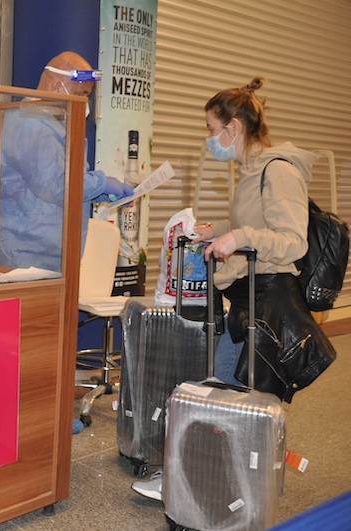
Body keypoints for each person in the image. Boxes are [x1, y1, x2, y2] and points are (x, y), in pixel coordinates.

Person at [132, 77, 336, 501]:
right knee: (228, 394)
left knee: (220, 393)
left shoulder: (277, 172)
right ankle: (218, 483)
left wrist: (238, 236)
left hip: (268, 298)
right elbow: (257, 225)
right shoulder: (251, 171)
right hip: (248, 296)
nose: (210, 140)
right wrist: (221, 230)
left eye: (212, 130)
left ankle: (189, 482)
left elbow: (291, 240)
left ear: (234, 128)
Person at [0, 51, 134, 272]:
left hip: (49, 252)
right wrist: (101, 183)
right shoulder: (31, 124)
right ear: (56, 87)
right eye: (80, 93)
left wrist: (97, 191)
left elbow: (67, 180)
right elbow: (54, 185)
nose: (85, 103)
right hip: (28, 253)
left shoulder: (51, 122)